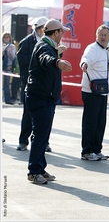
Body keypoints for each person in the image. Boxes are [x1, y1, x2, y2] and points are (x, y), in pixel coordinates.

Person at [25, 19, 72, 184]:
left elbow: (46, 61)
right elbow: (45, 59)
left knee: (42, 136)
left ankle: (39, 167)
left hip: (42, 97)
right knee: (40, 137)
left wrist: (58, 55)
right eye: (62, 32)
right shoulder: (44, 47)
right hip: (40, 98)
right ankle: (34, 171)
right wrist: (57, 61)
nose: (63, 35)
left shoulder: (47, 45)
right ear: (56, 33)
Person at [80, 25, 109, 161]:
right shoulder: (92, 49)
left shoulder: (105, 51)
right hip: (91, 92)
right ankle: (87, 151)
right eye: (101, 35)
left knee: (100, 122)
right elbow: (85, 59)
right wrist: (84, 65)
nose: (103, 37)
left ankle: (97, 150)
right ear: (97, 36)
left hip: (102, 91)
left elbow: (102, 72)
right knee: (90, 122)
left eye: (105, 35)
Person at [16, 17, 53, 152]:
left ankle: (44, 142)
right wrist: (36, 57)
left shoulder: (49, 42)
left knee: (45, 116)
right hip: (30, 83)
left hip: (44, 84)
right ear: (37, 28)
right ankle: (23, 140)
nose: (44, 30)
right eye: (42, 28)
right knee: (28, 113)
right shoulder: (27, 41)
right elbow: (21, 59)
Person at [2, 31, 15, 104]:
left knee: (6, 83)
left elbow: (13, 58)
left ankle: (7, 98)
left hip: (7, 66)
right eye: (5, 37)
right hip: (2, 64)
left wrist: (9, 52)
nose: (6, 39)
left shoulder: (12, 46)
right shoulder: (2, 46)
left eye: (7, 37)